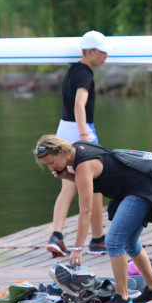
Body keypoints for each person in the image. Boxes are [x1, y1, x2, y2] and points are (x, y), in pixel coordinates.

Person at [34, 136, 152, 303]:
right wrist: (68, 176)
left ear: (61, 151)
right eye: (48, 166)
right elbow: (95, 179)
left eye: (52, 162)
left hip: (141, 193)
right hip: (138, 191)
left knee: (113, 241)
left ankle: (123, 297)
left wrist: (78, 248)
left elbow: (86, 212)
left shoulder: (83, 165)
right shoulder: (77, 150)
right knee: (129, 243)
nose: (52, 168)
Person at [45, 31, 108, 258]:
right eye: (102, 52)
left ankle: (57, 236)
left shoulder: (72, 71)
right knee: (97, 185)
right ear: (90, 52)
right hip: (80, 131)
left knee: (68, 186)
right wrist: (84, 136)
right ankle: (98, 240)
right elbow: (79, 105)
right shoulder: (85, 75)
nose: (106, 57)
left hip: (63, 129)